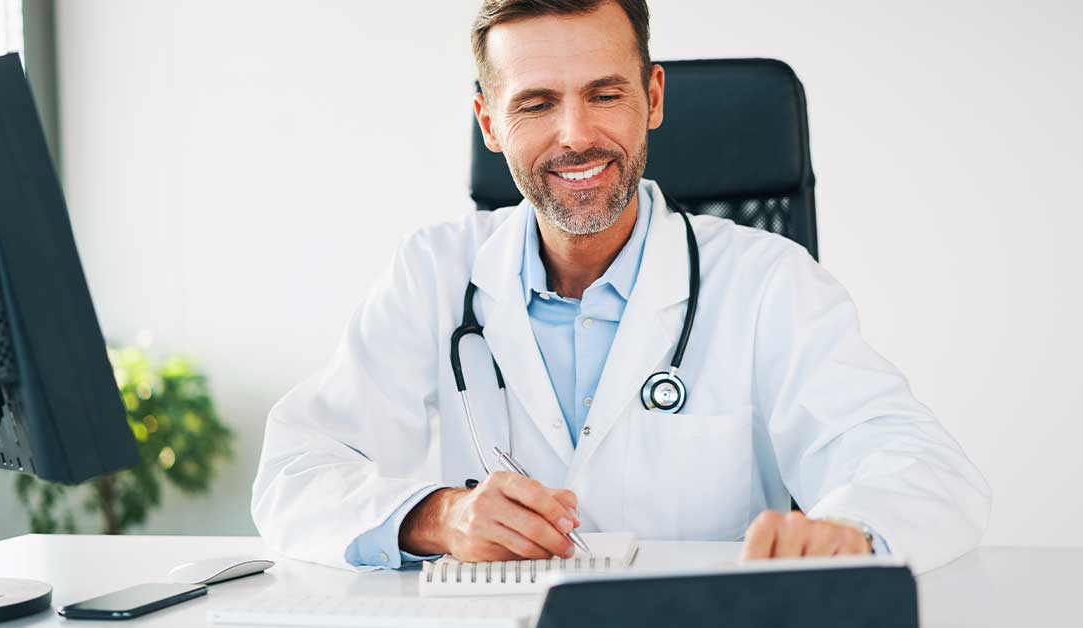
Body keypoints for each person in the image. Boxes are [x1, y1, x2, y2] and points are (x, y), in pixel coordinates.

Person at [251, 0, 990, 574]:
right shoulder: (433, 273)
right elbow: (295, 475)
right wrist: (437, 518)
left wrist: (847, 537)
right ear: (489, 121)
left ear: (654, 97)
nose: (575, 134)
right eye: (537, 103)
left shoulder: (768, 281)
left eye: (604, 94)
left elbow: (923, 468)